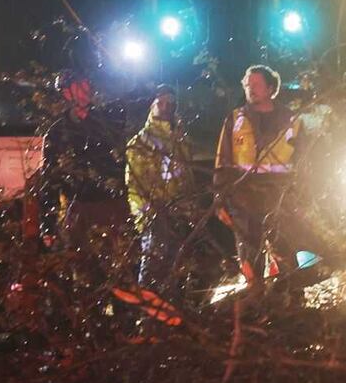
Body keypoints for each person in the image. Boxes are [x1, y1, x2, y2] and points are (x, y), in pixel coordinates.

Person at [214, 64, 326, 293]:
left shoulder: (292, 121)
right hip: (244, 196)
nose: (250, 89)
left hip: (280, 196)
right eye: (247, 84)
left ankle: (290, 302)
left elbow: (305, 161)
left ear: (271, 88)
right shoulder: (235, 119)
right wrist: (220, 200)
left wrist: (305, 195)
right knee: (248, 254)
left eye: (256, 84)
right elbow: (222, 161)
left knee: (285, 251)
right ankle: (255, 302)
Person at [38, 70, 127, 252]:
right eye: (79, 86)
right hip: (79, 209)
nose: (86, 90)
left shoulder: (108, 123)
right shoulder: (58, 133)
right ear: (66, 93)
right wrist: (48, 224)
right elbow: (51, 179)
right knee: (81, 264)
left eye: (87, 84)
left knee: (117, 264)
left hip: (110, 207)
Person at [125, 85, 194, 292]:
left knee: (178, 270)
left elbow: (187, 177)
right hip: (155, 217)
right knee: (152, 270)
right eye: (160, 102)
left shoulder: (181, 140)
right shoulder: (140, 142)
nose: (165, 107)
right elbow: (134, 185)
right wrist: (146, 217)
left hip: (178, 214)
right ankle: (148, 315)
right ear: (151, 105)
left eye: (170, 103)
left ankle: (174, 312)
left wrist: (190, 207)